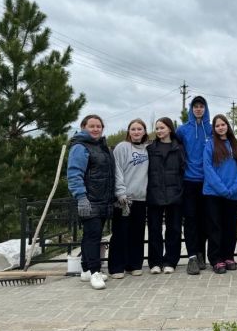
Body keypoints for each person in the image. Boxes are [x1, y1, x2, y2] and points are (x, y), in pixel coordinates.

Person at [67, 114, 116, 290]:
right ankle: (95, 272)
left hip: (103, 199)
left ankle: (86, 269)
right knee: (93, 236)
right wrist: (81, 197)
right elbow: (74, 174)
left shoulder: (102, 147)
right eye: (92, 126)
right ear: (83, 127)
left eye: (99, 126)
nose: (96, 129)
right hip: (89, 199)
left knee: (91, 235)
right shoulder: (80, 147)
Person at [176, 95, 212, 275]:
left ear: (205, 109)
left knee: (204, 220)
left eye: (201, 106)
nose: (198, 109)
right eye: (195, 106)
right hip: (189, 181)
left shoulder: (211, 129)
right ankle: (191, 257)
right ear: (191, 109)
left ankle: (200, 254)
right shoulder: (182, 130)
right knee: (190, 219)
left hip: (207, 182)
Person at [203, 114, 237, 274]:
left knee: (230, 227)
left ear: (227, 125)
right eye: (217, 125)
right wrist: (222, 189)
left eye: (223, 124)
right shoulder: (210, 144)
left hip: (232, 194)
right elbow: (208, 169)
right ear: (214, 128)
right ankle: (216, 259)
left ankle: (228, 256)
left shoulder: (235, 144)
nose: (220, 127)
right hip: (214, 193)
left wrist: (233, 188)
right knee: (215, 227)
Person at [110, 118, 149, 279]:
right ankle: (116, 266)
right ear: (129, 131)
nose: (136, 132)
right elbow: (117, 170)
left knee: (137, 234)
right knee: (120, 233)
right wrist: (120, 192)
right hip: (124, 199)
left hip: (141, 199)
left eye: (139, 129)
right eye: (133, 129)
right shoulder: (122, 147)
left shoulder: (147, 149)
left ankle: (134, 264)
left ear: (144, 131)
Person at [147, 117, 186, 274]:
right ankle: (155, 262)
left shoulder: (179, 148)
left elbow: (184, 170)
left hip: (174, 195)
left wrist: (180, 190)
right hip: (154, 195)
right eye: (157, 128)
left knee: (173, 230)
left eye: (162, 128)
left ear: (170, 129)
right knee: (154, 230)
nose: (159, 131)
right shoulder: (150, 149)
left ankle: (170, 260)